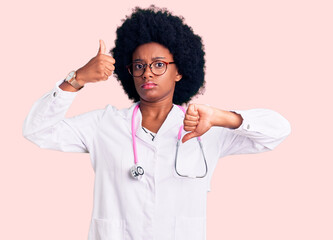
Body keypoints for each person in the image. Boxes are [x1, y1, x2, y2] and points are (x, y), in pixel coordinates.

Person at [23, 5, 291, 240]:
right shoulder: (104, 124)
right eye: (138, 66)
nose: (147, 72)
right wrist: (77, 78)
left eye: (159, 64)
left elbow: (278, 130)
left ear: (180, 71)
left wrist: (224, 118)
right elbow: (37, 130)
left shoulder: (205, 128)